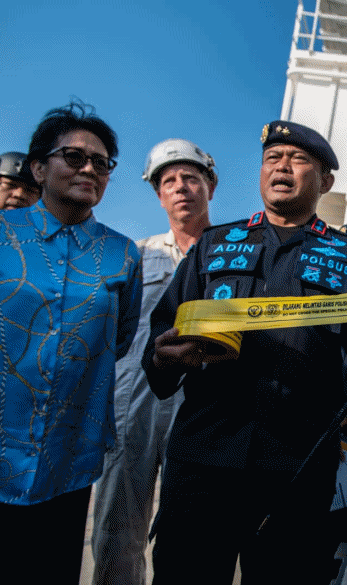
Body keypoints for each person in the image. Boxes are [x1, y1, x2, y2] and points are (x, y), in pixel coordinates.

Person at [142, 120, 347, 584]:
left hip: (297, 468)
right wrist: (164, 357)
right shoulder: (213, 246)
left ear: (325, 181)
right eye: (273, 158)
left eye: (298, 160)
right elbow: (163, 334)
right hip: (203, 459)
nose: (282, 167)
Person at [0, 101, 142, 583]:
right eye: (74, 156)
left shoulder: (121, 254)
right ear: (39, 168)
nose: (89, 168)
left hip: (65, 459)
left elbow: (119, 339)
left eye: (102, 162)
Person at [91, 139, 218, 585]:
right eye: (168, 181)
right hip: (134, 404)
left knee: (193, 531)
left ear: (210, 186)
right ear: (158, 193)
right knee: (117, 529)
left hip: (206, 405)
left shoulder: (232, 259)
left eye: (191, 178)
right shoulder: (137, 256)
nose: (181, 188)